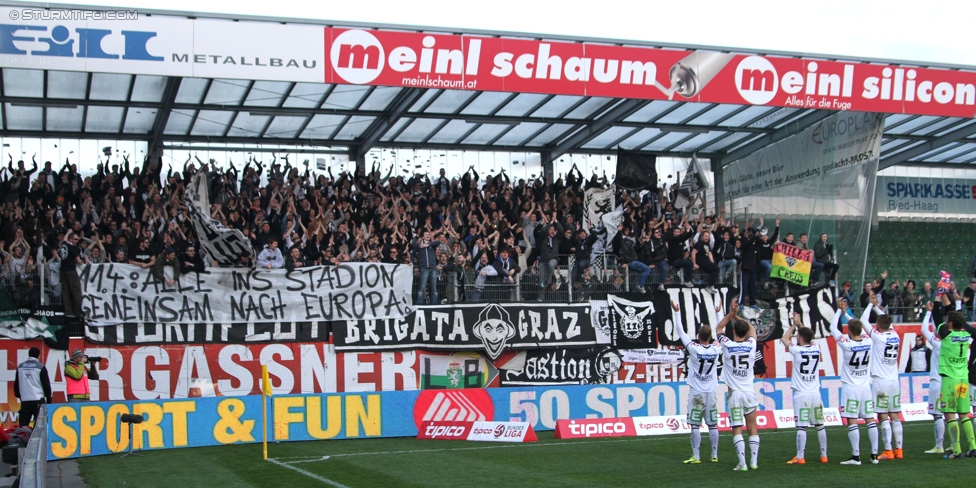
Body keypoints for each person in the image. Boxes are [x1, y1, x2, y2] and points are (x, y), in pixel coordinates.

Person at [830, 298, 880, 465]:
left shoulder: (847, 344)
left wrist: (839, 311)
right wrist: (848, 314)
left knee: (852, 420)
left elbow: (832, 328)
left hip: (851, 388)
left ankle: (856, 456)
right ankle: (874, 455)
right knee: (870, 420)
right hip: (866, 387)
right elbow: (858, 327)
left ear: (849, 331)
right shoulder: (868, 341)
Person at [673, 300, 721, 464]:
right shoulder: (716, 348)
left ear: (699, 336)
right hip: (711, 392)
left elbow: (681, 332)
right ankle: (714, 455)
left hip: (696, 392)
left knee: (695, 425)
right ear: (710, 336)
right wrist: (718, 313)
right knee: (713, 425)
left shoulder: (693, 348)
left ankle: (697, 456)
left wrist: (677, 312)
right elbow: (723, 332)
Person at [716, 301, 759, 471]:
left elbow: (719, 328)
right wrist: (737, 316)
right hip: (749, 392)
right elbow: (752, 330)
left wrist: (730, 314)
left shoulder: (727, 344)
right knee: (753, 427)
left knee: (737, 429)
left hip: (734, 394)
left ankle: (742, 463)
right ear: (746, 332)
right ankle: (754, 462)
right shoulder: (751, 345)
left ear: (733, 331)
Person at [781, 313, 829, 464]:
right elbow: (810, 338)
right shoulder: (816, 348)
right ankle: (824, 456)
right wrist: (801, 325)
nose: (796, 338)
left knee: (802, 427)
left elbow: (784, 338)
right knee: (820, 425)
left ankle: (800, 457)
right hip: (815, 394)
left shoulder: (797, 350)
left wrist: (795, 325)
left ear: (800, 338)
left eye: (798, 336)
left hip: (801, 394)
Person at [936, 304, 976, 458]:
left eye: (948, 320)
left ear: (951, 323)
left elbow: (938, 321)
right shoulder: (967, 335)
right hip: (963, 380)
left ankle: (956, 449)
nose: (946, 322)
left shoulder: (947, 335)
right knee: (964, 413)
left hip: (950, 380)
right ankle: (973, 447)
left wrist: (939, 304)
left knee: (950, 414)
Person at [867, 313, 904, 460]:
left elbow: (863, 321)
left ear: (878, 326)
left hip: (881, 381)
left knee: (882, 415)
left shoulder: (878, 337)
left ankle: (888, 451)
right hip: (894, 380)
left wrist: (871, 305)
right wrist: (877, 308)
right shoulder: (896, 335)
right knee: (894, 414)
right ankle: (899, 450)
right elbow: (889, 326)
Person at [920, 302, 945, 454]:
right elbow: (938, 328)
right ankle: (953, 444)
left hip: (937, 381)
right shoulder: (948, 342)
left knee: (937, 414)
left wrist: (929, 313)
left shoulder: (937, 343)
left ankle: (939, 446)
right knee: (948, 414)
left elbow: (924, 329)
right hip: (949, 380)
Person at [14, 346, 51, 427]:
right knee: (39, 425)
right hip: (38, 399)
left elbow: (17, 383)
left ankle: (22, 439)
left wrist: (19, 395)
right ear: (38, 355)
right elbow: (46, 384)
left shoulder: (20, 367)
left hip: (25, 399)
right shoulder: (40, 367)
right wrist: (48, 399)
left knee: (23, 424)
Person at [59, 230, 86, 320]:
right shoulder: (73, 248)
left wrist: (68, 232)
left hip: (63, 270)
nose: (77, 241)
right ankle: (77, 312)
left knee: (65, 291)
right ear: (71, 239)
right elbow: (79, 261)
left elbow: (64, 239)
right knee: (76, 291)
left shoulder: (64, 245)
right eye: (75, 239)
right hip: (71, 270)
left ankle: (67, 312)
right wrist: (83, 260)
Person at [414, 231, 442, 305]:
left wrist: (428, 244)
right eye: (426, 234)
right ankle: (419, 304)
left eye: (429, 234)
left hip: (433, 268)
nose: (428, 235)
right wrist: (411, 262)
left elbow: (438, 241)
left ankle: (434, 304)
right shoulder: (418, 245)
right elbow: (412, 254)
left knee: (434, 288)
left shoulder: (432, 244)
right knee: (421, 288)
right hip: (424, 268)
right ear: (422, 237)